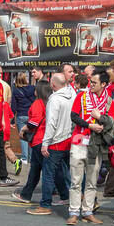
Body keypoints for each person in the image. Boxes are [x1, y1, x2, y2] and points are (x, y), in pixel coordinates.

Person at [66, 71, 113, 225]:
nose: (90, 85)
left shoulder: (108, 101)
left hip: (96, 145)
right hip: (79, 142)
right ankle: (73, 212)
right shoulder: (82, 96)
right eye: (90, 82)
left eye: (94, 82)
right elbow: (74, 116)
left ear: (103, 84)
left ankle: (87, 211)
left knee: (92, 181)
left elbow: (111, 123)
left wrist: (100, 118)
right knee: (75, 180)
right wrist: (89, 125)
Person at [29, 73, 74, 216]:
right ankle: (82, 199)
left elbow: (51, 123)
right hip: (69, 139)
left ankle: (45, 205)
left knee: (48, 174)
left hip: (56, 141)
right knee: (73, 173)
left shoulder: (53, 100)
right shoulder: (72, 95)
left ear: (53, 85)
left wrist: (45, 143)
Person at [13, 80, 50, 205]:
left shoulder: (37, 103)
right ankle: (26, 194)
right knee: (39, 169)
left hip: (38, 140)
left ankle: (27, 195)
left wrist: (24, 128)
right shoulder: (48, 102)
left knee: (39, 170)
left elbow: (34, 122)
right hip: (46, 140)